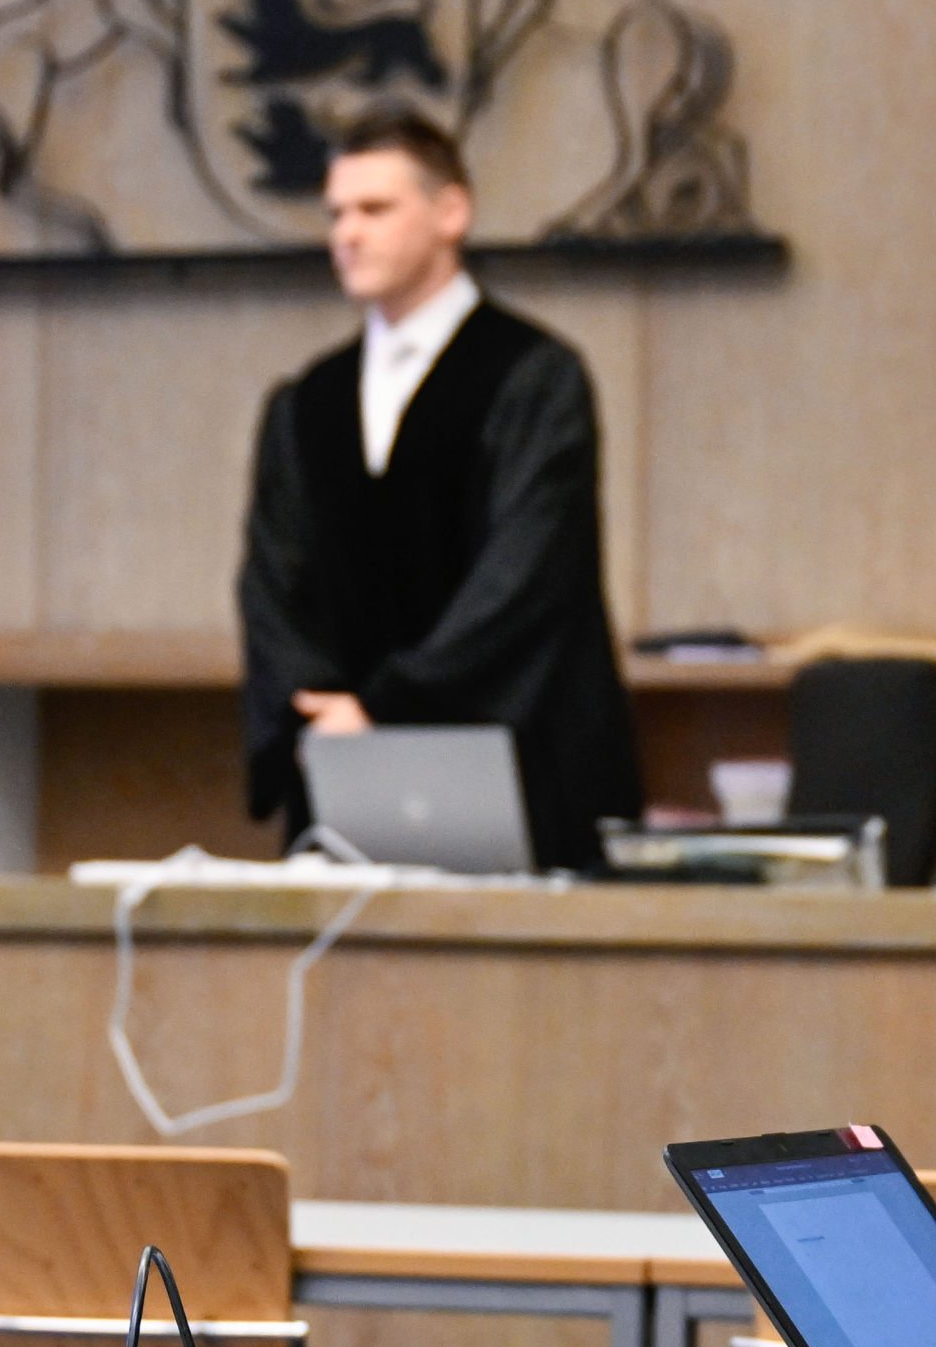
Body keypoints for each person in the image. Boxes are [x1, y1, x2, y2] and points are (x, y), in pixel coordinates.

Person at [235, 111, 640, 870]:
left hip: (515, 764)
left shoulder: (533, 377)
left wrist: (389, 707)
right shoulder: (308, 401)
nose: (346, 234)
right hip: (342, 766)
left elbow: (527, 577)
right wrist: (318, 710)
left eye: (374, 209)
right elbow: (272, 582)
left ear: (451, 212)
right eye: (335, 214)